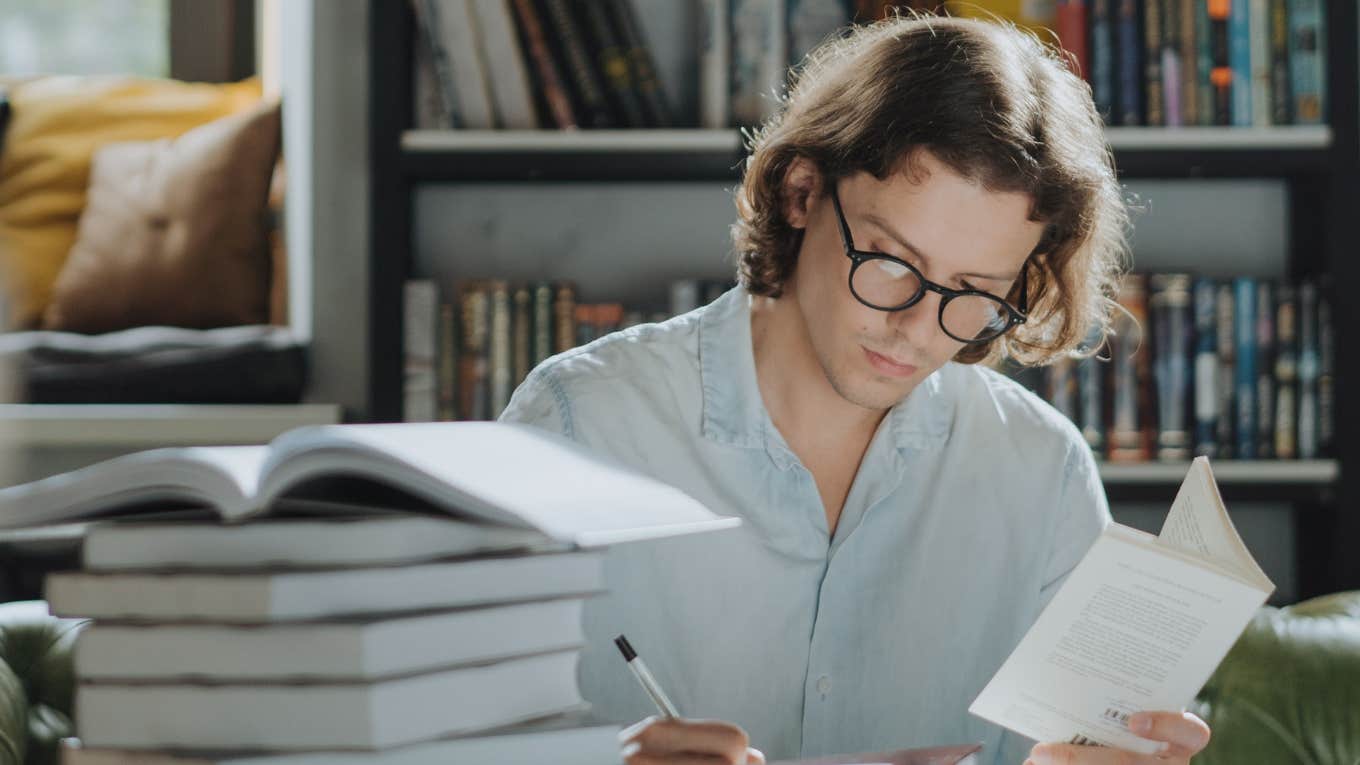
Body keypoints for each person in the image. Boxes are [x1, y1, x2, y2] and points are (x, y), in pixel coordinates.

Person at [499, 12, 1212, 765]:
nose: (917, 326)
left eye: (973, 290)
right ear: (802, 192)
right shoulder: (579, 425)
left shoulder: (1043, 473)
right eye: (893, 261)